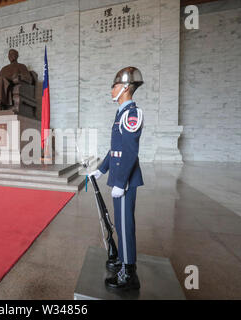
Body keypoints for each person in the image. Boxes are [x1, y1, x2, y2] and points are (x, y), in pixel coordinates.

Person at [89, 66, 144, 291]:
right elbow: (116, 150)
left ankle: (129, 274)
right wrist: (102, 170)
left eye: (113, 86)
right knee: (120, 225)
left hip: (126, 180)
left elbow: (130, 152)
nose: (111, 90)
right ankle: (122, 260)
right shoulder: (120, 113)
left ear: (124, 88)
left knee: (124, 225)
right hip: (118, 177)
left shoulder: (132, 114)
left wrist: (120, 183)